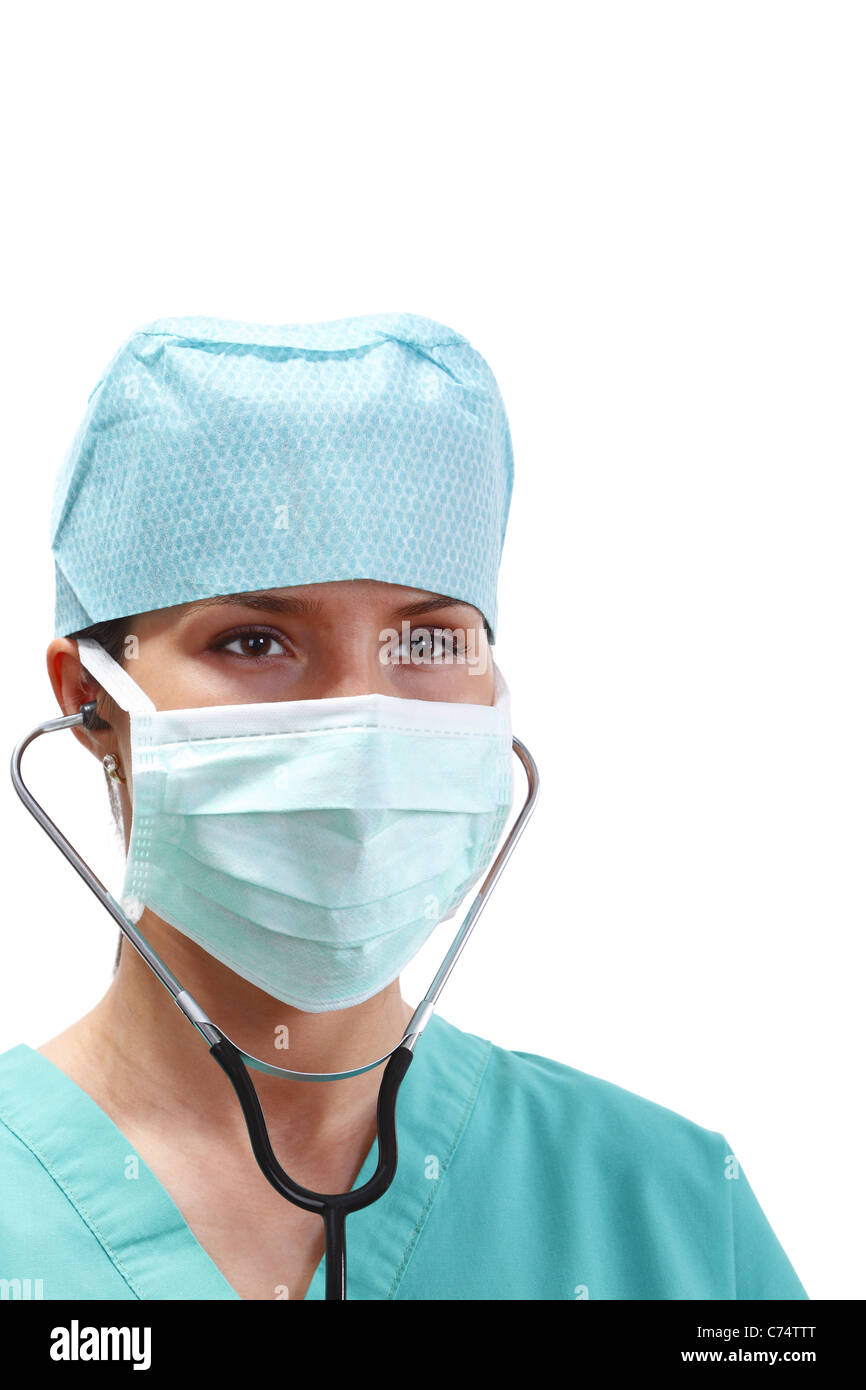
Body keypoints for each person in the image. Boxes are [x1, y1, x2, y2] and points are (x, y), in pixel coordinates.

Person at [0, 314, 808, 1300]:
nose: (361, 720)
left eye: (426, 643)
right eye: (254, 641)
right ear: (89, 700)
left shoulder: (672, 1210)